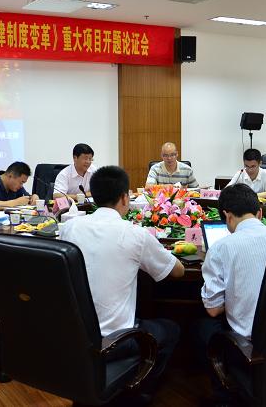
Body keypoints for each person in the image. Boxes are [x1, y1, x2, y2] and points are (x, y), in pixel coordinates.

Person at [59, 165, 185, 399]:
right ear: (125, 198)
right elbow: (177, 272)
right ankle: (139, 392)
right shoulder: (134, 234)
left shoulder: (70, 227)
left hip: (72, 336)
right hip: (114, 341)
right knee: (171, 329)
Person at [195, 184, 266, 403]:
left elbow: (213, 309)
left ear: (227, 216)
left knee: (202, 327)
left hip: (252, 347)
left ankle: (225, 394)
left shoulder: (220, 248)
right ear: (260, 213)